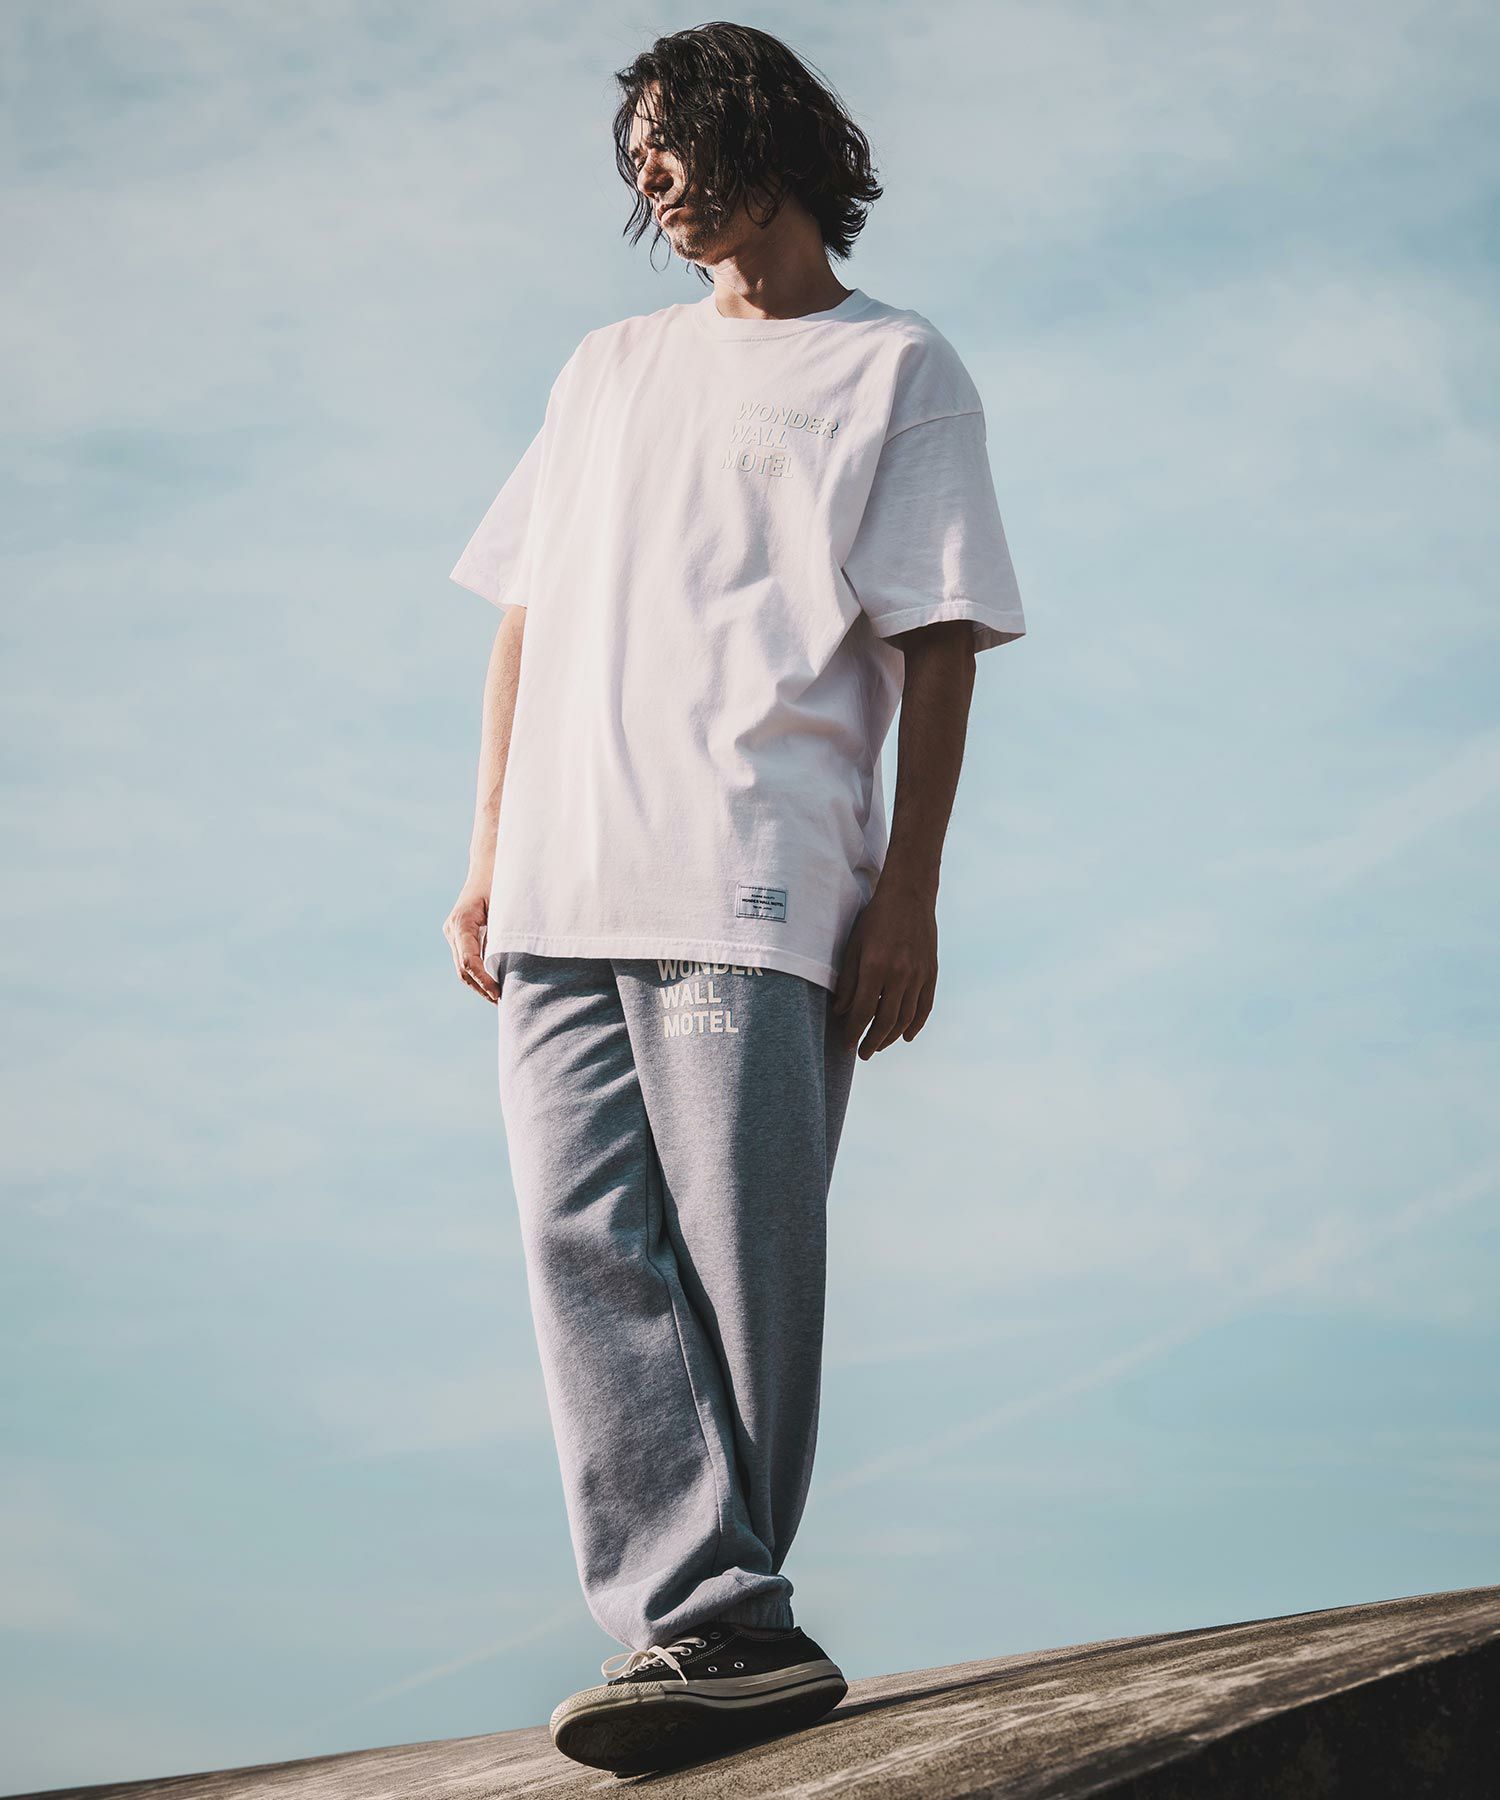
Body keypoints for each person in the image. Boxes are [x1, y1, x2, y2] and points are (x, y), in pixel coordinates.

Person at [441, 20, 1026, 1778]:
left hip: (752, 881)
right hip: (562, 886)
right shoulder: (606, 367)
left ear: (762, 132)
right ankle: (708, 1618)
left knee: (737, 1262)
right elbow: (526, 617)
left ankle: (718, 1620)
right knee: (579, 1247)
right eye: (633, 156)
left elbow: (939, 644)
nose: (651, 173)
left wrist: (910, 893)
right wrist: (486, 852)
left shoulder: (894, 366)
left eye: (671, 139)